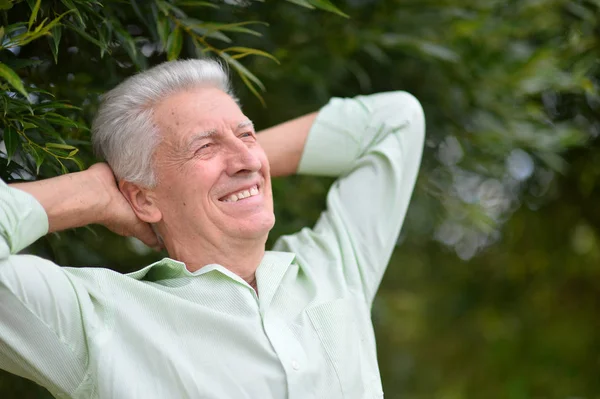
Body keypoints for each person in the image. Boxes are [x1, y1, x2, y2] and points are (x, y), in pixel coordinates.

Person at [0, 59, 424, 398]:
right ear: (142, 199)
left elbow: (397, 119)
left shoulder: (333, 269)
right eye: (204, 146)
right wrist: (93, 191)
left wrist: (241, 167)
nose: (246, 157)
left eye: (247, 134)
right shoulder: (96, 317)